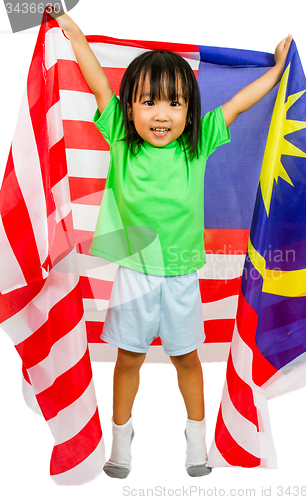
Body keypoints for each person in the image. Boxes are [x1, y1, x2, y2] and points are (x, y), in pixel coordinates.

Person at [50, 10, 292, 479]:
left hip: (181, 275)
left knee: (186, 358)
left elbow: (239, 104)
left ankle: (196, 444)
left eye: (175, 104)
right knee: (129, 357)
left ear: (189, 111)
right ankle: (121, 444)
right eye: (148, 103)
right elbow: (97, 80)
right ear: (130, 108)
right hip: (135, 275)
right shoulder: (120, 137)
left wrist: (277, 71)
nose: (161, 115)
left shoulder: (195, 146)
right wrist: (74, 32)